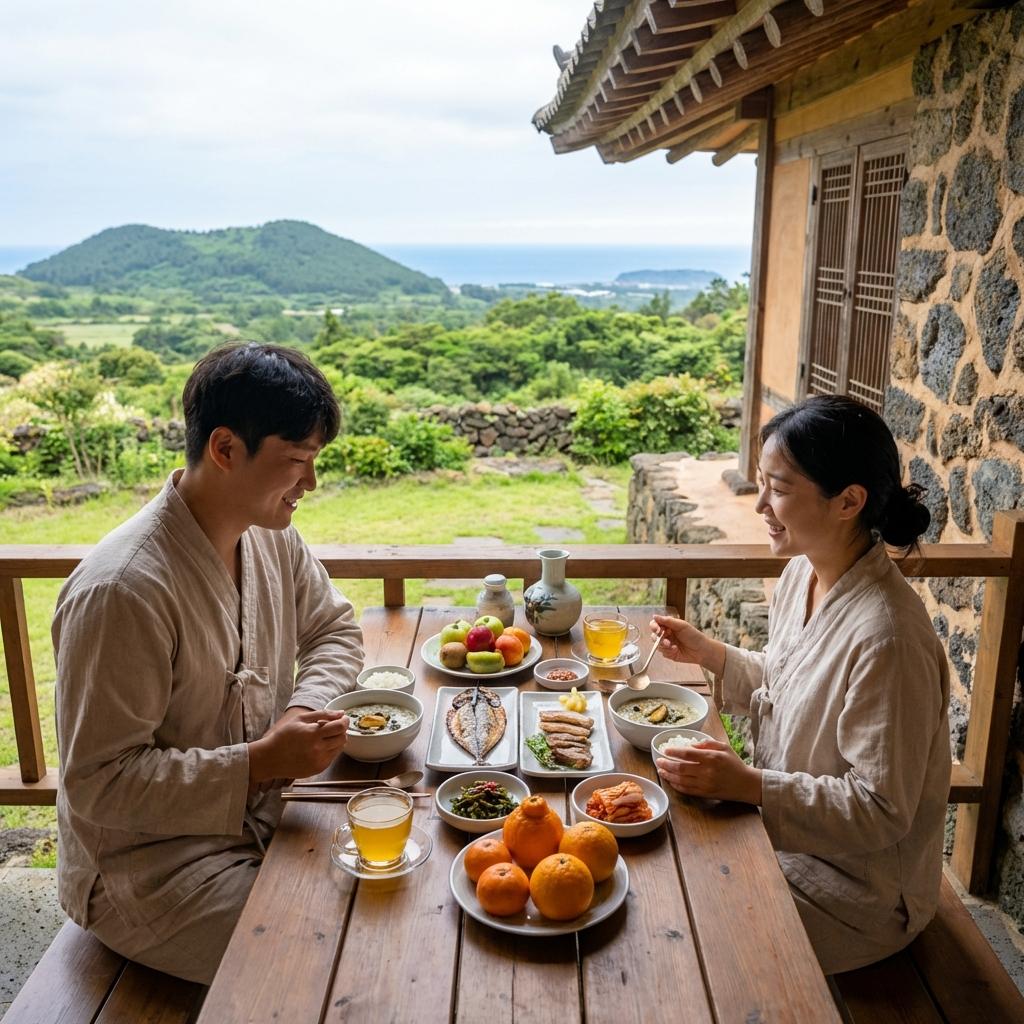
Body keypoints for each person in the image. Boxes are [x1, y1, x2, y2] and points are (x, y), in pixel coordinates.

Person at [52, 342, 364, 984]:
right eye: (298, 462)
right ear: (225, 449)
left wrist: (301, 714)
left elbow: (334, 628)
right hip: (152, 868)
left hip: (261, 814)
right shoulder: (123, 590)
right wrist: (256, 763)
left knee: (395, 893)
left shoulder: (270, 534)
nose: (310, 483)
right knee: (332, 949)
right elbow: (97, 782)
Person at [652, 395, 951, 975]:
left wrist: (751, 785)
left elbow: (881, 809)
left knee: (679, 922)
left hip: (858, 891)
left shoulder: (888, 636)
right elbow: (794, 679)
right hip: (790, 842)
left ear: (849, 501)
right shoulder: (802, 574)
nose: (761, 504)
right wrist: (713, 654)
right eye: (762, 484)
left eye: (780, 489)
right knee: (663, 871)